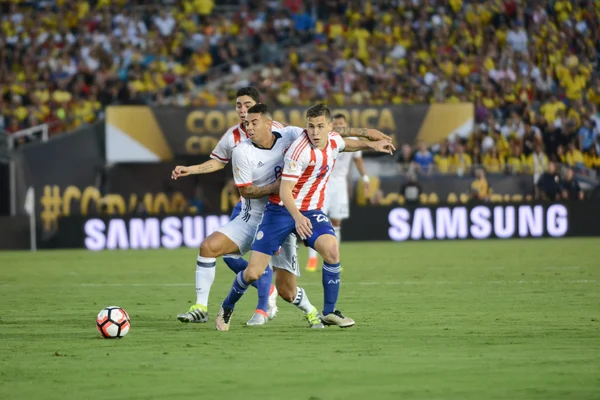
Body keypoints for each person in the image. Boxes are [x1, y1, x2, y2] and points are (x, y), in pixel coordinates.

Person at [215, 103, 395, 331]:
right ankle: (228, 305)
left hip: (311, 210)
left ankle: (329, 312)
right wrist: (297, 218)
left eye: (320, 127)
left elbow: (345, 144)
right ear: (306, 127)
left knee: (331, 250)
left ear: (330, 128)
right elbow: (284, 191)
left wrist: (371, 144)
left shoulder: (332, 140)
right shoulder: (298, 151)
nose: (315, 132)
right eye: (311, 127)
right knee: (252, 273)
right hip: (281, 211)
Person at [171, 87, 283, 325]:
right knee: (212, 249)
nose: (242, 110)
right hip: (247, 209)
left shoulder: (281, 131)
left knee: (288, 288)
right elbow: (217, 162)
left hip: (277, 212)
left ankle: (269, 300)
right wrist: (189, 169)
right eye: (238, 105)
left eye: (248, 105)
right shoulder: (232, 136)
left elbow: (313, 140)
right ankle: (201, 307)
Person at [305, 113, 369, 271]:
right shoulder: (325, 137)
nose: (340, 125)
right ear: (332, 125)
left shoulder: (352, 142)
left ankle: (335, 257)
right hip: (322, 184)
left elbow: (358, 161)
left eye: (343, 123)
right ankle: (312, 259)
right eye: (337, 123)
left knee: (336, 222)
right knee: (315, 221)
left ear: (346, 124)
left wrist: (365, 179)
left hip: (340, 185)